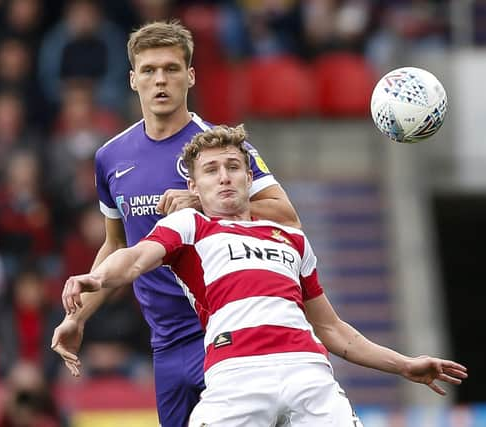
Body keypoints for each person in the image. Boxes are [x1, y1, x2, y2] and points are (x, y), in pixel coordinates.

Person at [61, 124, 468, 426]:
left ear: (249, 177)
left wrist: (404, 365)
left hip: (308, 374)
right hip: (235, 377)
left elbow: (335, 331)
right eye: (212, 170)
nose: (224, 176)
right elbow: (133, 258)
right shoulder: (190, 225)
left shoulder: (291, 238)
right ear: (194, 186)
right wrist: (97, 279)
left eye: (233, 167)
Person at [50, 20, 300, 427]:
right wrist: (77, 316)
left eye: (171, 69)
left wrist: (203, 201)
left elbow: (287, 216)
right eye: (149, 71)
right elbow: (116, 246)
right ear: (133, 80)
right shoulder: (110, 157)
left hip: (227, 332)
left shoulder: (219, 148)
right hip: (165, 345)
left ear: (191, 76)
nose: (160, 80)